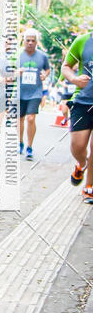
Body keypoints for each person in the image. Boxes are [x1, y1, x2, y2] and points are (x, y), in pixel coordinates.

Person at [61, 31, 93, 198]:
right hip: (82, 101)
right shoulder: (82, 41)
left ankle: (89, 186)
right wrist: (74, 79)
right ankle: (81, 164)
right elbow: (65, 66)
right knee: (78, 146)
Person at [18, 30, 50, 160]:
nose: (30, 43)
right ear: (23, 41)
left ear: (36, 42)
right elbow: (7, 71)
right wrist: (16, 72)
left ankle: (29, 147)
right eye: (28, 40)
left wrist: (45, 75)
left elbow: (47, 69)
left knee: (31, 118)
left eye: (33, 40)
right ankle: (20, 143)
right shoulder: (18, 55)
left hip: (35, 92)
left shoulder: (42, 56)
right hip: (19, 92)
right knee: (19, 120)